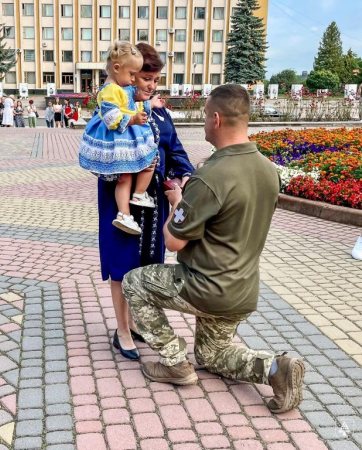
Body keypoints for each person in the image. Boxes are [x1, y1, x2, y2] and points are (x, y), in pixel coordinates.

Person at [122, 84, 305, 414]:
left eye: (206, 116)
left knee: (134, 282)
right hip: (242, 290)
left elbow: (174, 241)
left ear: (217, 119)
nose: (205, 122)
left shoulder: (210, 176)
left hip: (205, 286)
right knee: (212, 356)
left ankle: (174, 363)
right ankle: (276, 369)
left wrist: (178, 201)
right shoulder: (268, 170)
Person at [96, 43, 194, 359]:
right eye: (145, 79)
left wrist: (184, 175)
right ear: (130, 75)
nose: (151, 85)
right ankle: (122, 330)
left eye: (155, 80)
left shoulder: (160, 112)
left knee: (149, 265)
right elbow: (103, 147)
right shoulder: (113, 106)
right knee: (121, 265)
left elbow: (175, 150)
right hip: (120, 200)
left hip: (153, 202)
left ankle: (137, 323)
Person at [78, 41, 158, 236]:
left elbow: (133, 104)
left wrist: (148, 106)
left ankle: (133, 201)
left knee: (132, 172)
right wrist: (133, 119)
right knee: (126, 175)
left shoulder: (122, 88)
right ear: (116, 68)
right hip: (115, 138)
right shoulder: (111, 90)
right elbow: (112, 117)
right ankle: (126, 210)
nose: (133, 80)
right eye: (132, 74)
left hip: (125, 137)